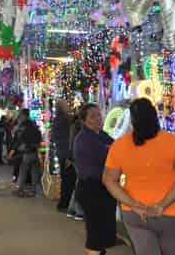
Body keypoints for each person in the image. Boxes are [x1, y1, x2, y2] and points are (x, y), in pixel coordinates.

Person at [103, 98, 175, 255]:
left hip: (135, 214)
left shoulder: (119, 145)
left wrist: (133, 204)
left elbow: (109, 180)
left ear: (132, 120)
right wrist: (162, 205)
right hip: (169, 212)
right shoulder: (174, 142)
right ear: (154, 116)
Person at [73, 104, 116, 255]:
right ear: (84, 121)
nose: (98, 118)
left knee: (102, 236)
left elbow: (117, 150)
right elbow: (88, 170)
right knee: (95, 235)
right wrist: (111, 174)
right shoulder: (83, 140)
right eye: (92, 116)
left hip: (105, 190)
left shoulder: (103, 136)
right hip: (92, 191)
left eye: (99, 114)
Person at [9, 109, 42, 197]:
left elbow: (20, 139)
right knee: (34, 171)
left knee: (23, 170)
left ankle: (20, 189)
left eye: (21, 115)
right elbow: (39, 137)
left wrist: (13, 150)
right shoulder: (34, 125)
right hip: (35, 152)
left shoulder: (24, 126)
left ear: (24, 115)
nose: (20, 117)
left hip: (28, 152)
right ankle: (33, 191)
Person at [52, 99, 76, 213]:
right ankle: (65, 203)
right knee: (69, 179)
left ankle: (64, 203)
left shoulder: (57, 119)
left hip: (61, 151)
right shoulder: (66, 120)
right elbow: (70, 137)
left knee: (66, 178)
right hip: (67, 152)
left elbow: (53, 137)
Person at [67, 113, 84, 221]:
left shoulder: (73, 126)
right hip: (79, 158)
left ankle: (72, 209)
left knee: (79, 183)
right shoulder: (79, 127)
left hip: (74, 157)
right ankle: (78, 210)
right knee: (80, 184)